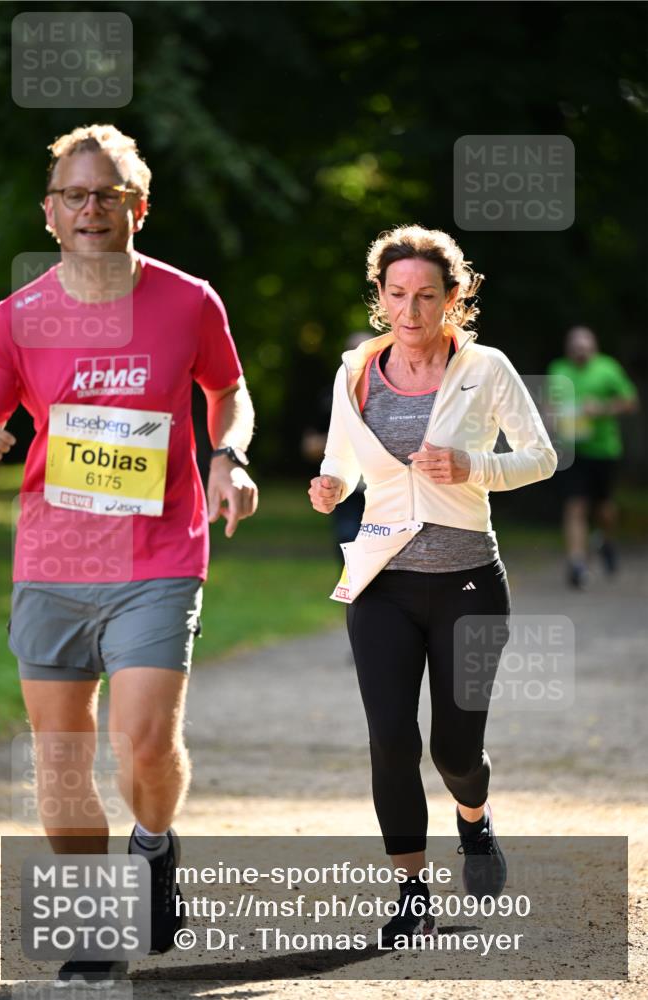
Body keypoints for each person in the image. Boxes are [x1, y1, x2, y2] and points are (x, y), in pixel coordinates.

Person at [0, 124, 258, 983]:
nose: (91, 208)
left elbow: (229, 390)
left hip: (159, 554)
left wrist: (228, 454)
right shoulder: (16, 317)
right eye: (75, 194)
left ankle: (155, 841)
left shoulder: (189, 301)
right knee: (59, 756)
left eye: (108, 194)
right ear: (51, 213)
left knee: (142, 741)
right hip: (54, 562)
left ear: (139, 207)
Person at [309, 225, 557, 946]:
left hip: (467, 582)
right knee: (390, 740)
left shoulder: (486, 368)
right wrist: (331, 485)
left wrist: (473, 465)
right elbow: (342, 456)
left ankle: (473, 823)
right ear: (379, 296)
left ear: (455, 297)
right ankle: (410, 889)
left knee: (454, 750)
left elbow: (539, 456)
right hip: (381, 580)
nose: (409, 311)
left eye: (425, 296)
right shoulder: (356, 369)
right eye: (395, 295)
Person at [546, 326, 639, 589]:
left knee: (604, 509)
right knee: (575, 505)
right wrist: (550, 418)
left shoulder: (607, 369)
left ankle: (606, 540)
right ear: (568, 348)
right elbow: (550, 404)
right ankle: (576, 563)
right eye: (575, 346)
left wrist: (603, 408)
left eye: (584, 346)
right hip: (573, 450)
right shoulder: (558, 369)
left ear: (594, 347)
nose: (580, 351)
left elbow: (631, 402)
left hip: (604, 449)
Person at [301, 332, 372, 562]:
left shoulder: (396, 391)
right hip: (347, 491)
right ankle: (351, 597)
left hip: (383, 489)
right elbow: (310, 445)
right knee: (348, 541)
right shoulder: (331, 397)